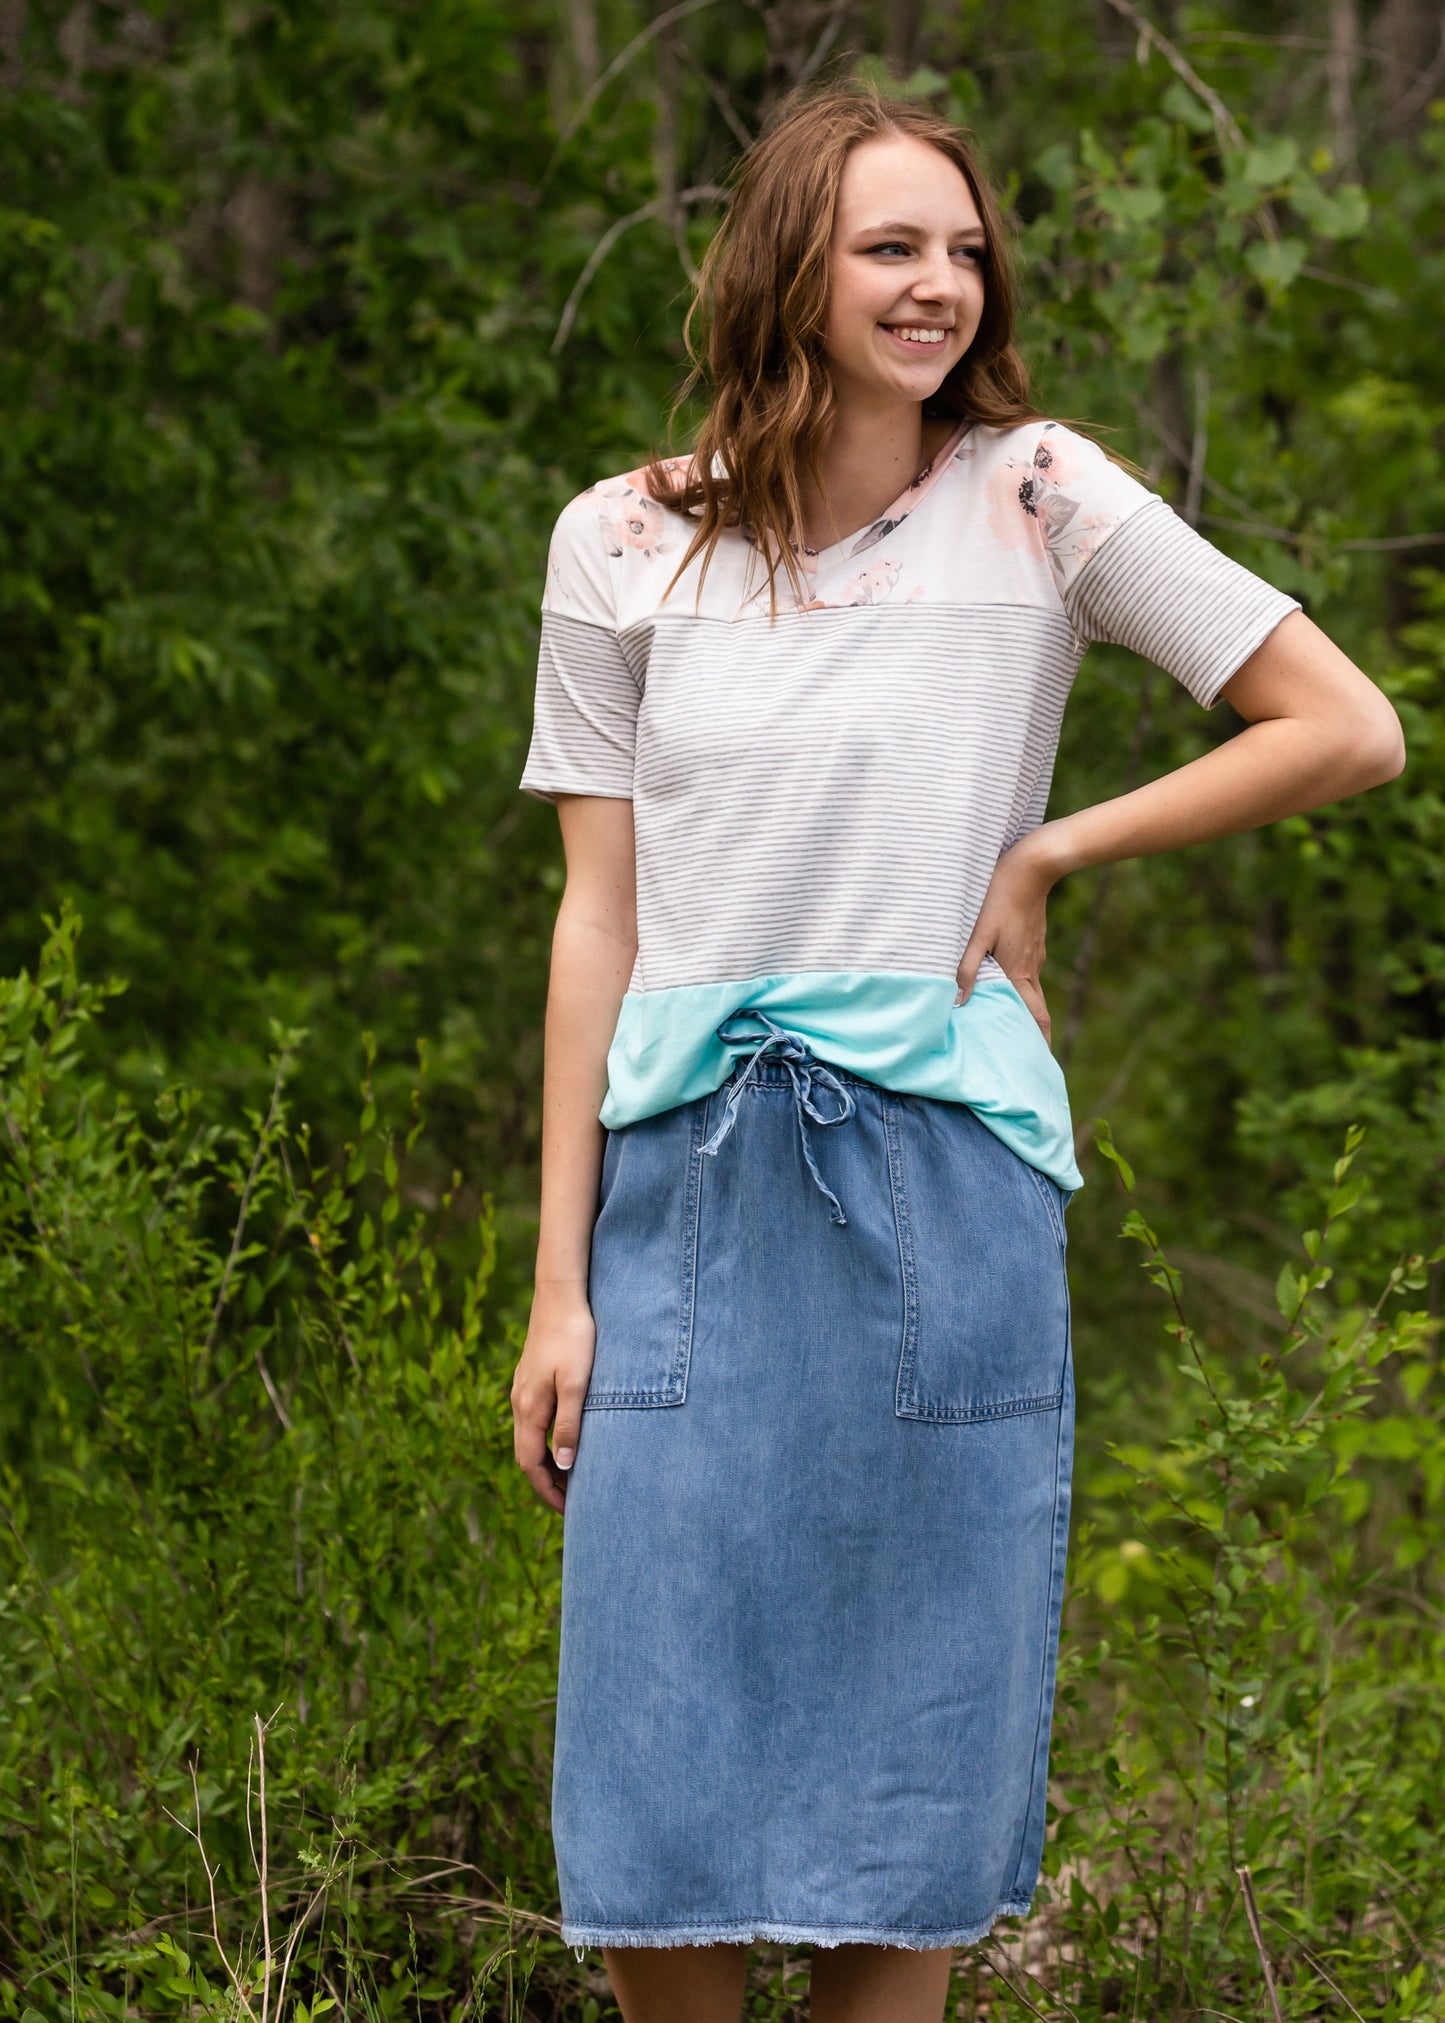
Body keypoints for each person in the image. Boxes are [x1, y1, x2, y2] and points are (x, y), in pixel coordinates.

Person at [509, 83, 1404, 2023]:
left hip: (941, 1186)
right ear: (784, 268)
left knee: (912, 1761)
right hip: (685, 1185)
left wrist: (1056, 846)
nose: (937, 284)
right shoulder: (619, 543)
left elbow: (1345, 724)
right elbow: (601, 920)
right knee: (658, 1784)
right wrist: (556, 1282)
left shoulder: (1039, 495)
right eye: (888, 246)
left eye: (964, 249)